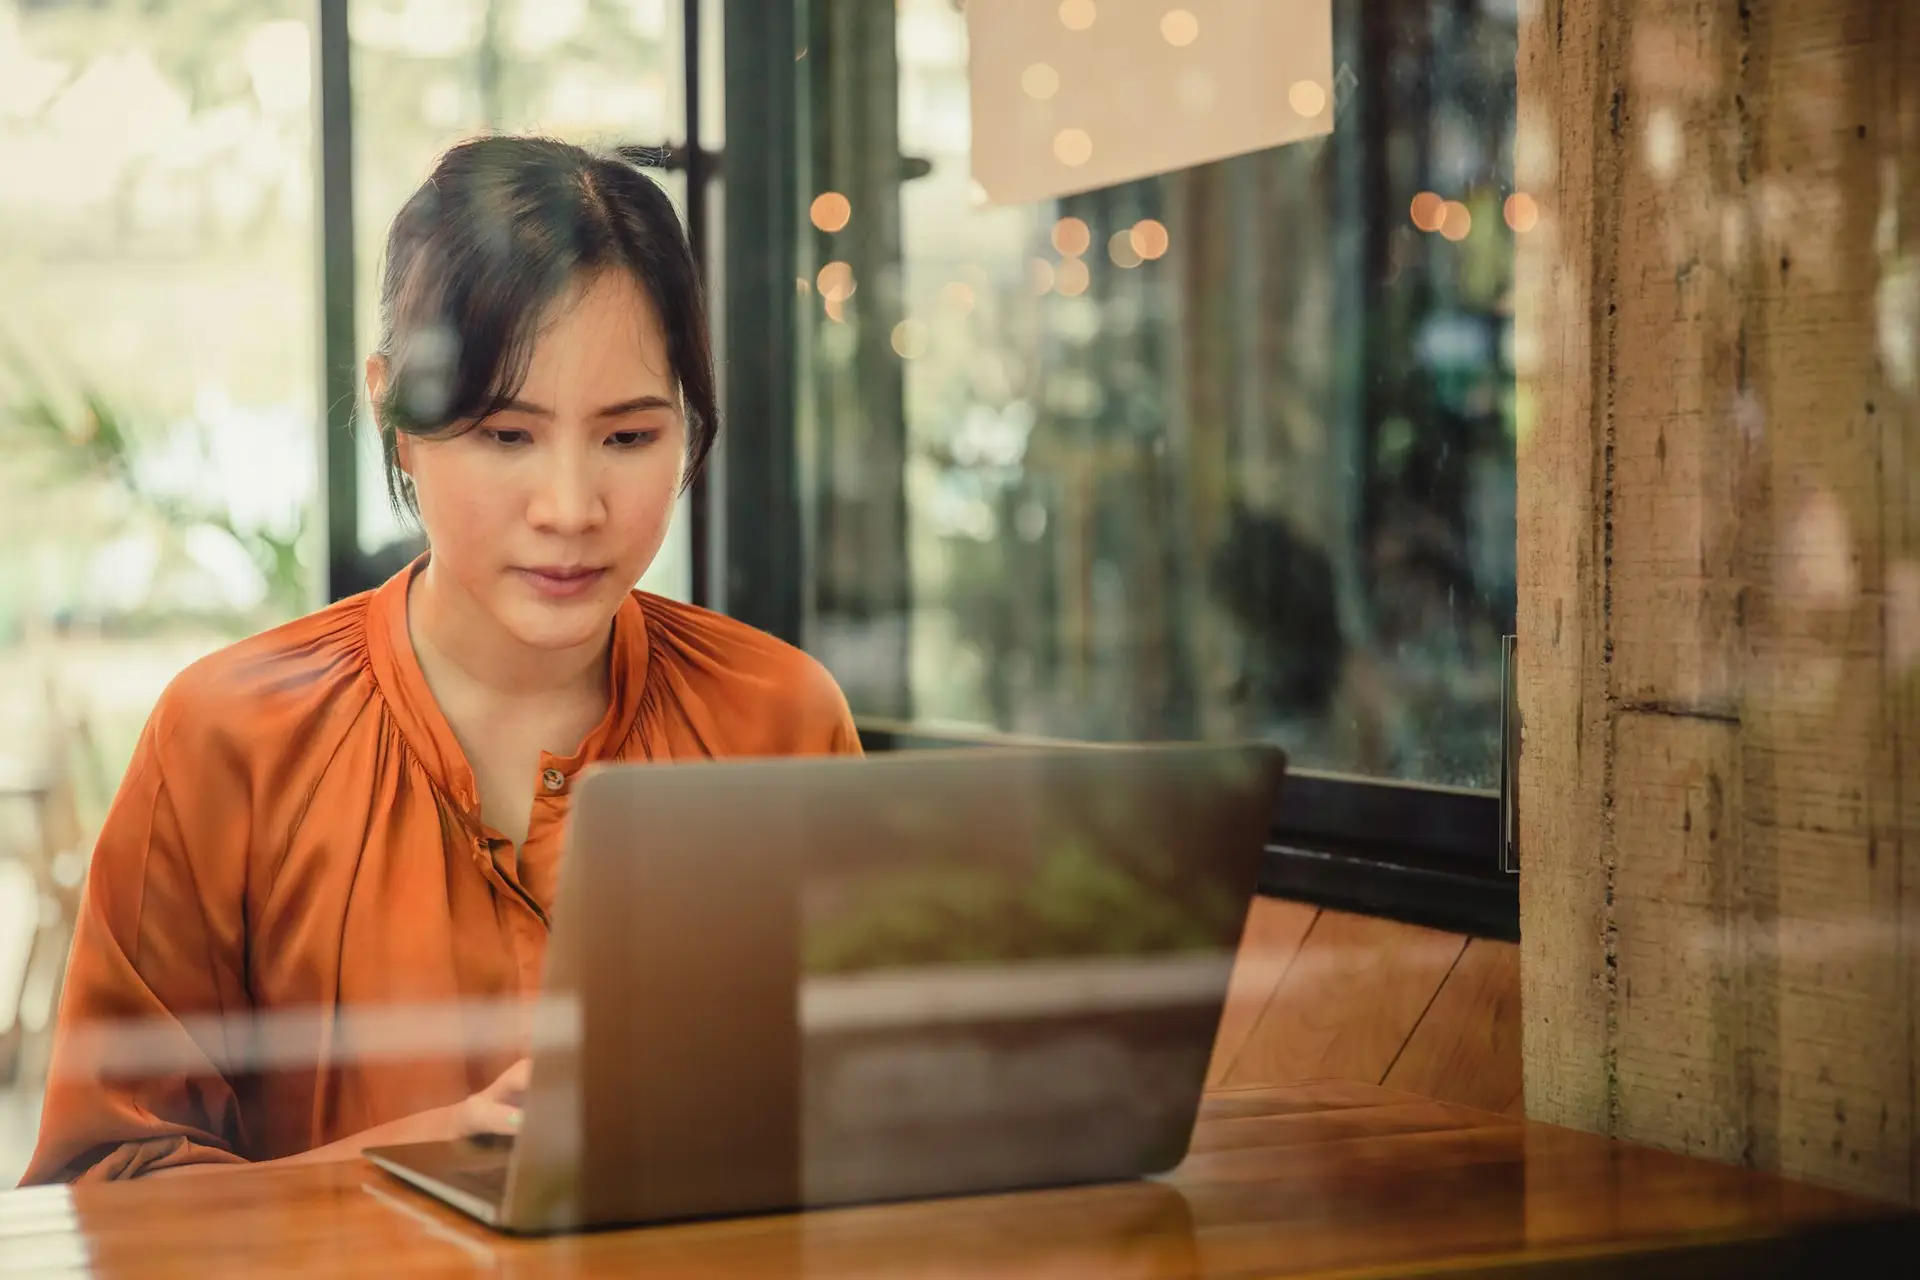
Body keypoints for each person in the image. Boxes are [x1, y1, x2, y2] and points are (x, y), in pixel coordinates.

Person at [21, 137, 859, 1184]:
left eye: (630, 437)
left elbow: (862, 1121)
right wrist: (421, 1163)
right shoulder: (226, 736)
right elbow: (102, 1191)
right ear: (395, 413)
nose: (570, 509)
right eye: (507, 435)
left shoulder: (777, 715)